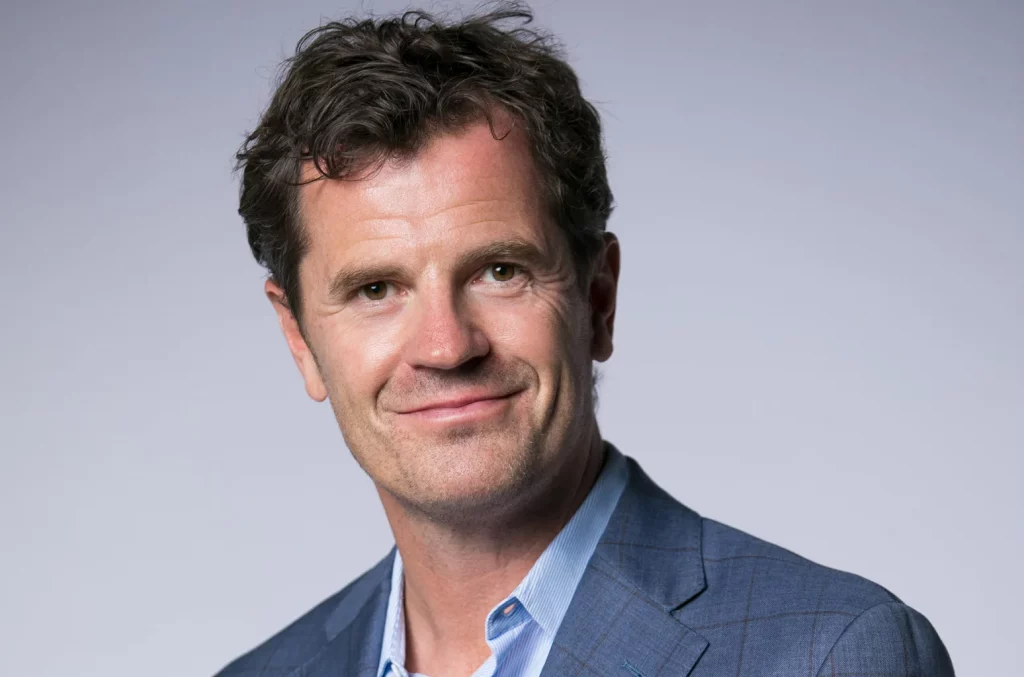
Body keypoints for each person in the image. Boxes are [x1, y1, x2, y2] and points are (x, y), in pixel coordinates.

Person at [215, 4, 954, 676]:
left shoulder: (833, 654)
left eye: (500, 271)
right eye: (376, 289)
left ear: (598, 299)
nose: (445, 346)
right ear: (299, 338)